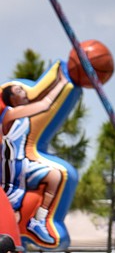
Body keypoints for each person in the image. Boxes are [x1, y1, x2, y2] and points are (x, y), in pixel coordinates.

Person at [0, 67, 70, 245]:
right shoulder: (9, 114)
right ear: (11, 99)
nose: (23, 92)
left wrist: (60, 82)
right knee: (12, 214)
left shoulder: (24, 117)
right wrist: (60, 83)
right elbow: (45, 104)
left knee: (55, 176)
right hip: (10, 168)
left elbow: (45, 105)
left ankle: (38, 219)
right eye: (18, 91)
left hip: (24, 163)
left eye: (22, 89)